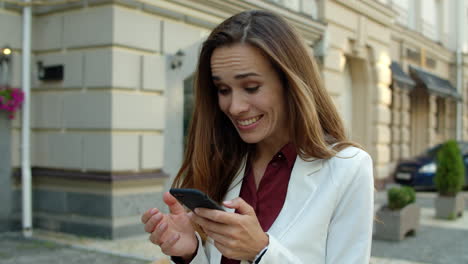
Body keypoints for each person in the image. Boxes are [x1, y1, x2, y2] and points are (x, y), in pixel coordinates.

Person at [141, 10, 374, 264]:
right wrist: (191, 252)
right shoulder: (224, 159)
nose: (234, 106)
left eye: (251, 87)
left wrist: (261, 251)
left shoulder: (348, 166)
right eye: (223, 89)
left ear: (290, 83)